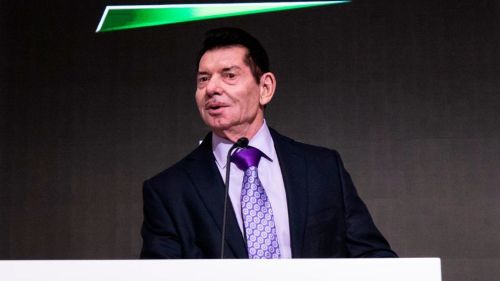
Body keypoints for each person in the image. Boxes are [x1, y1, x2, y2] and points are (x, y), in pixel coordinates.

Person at [140, 27, 397, 259]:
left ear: (265, 88)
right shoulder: (169, 190)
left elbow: (372, 256)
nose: (211, 88)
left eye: (229, 75)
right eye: (203, 79)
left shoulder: (323, 169)